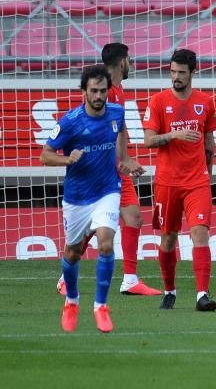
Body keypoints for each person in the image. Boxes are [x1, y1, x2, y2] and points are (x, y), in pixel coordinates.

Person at [41, 65, 142, 332]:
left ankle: (101, 306)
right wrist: (66, 158)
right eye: (94, 91)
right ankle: (72, 301)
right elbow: (45, 154)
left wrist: (126, 160)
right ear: (84, 91)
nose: (99, 95)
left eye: (103, 90)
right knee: (73, 252)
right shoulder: (70, 122)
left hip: (107, 190)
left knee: (106, 243)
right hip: (77, 197)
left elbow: (120, 132)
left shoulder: (117, 113)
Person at [56, 43, 161, 297]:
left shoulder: (116, 91)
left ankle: (130, 279)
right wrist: (123, 161)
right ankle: (66, 277)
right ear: (122, 61)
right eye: (130, 60)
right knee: (101, 224)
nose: (131, 64)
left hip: (115, 169)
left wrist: (126, 158)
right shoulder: (107, 93)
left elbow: (120, 129)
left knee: (132, 218)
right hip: (104, 172)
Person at [142, 49, 216, 311]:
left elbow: (209, 142)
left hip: (197, 181)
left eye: (181, 73)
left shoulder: (205, 102)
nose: (176, 77)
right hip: (167, 182)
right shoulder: (158, 101)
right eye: (173, 71)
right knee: (168, 239)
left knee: (200, 234)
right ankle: (169, 291)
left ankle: (202, 296)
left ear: (192, 73)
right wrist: (175, 135)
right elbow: (148, 141)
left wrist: (207, 172)